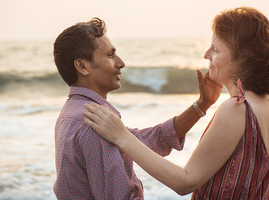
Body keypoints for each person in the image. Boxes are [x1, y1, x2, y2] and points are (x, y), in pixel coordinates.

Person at [83, 7, 269, 200]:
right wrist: (203, 103)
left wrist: (122, 137)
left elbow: (185, 182)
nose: (207, 54)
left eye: (215, 49)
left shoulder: (236, 109)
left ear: (242, 57)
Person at [52, 18, 223, 199]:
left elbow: (144, 141)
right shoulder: (94, 122)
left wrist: (203, 104)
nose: (121, 63)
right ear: (82, 66)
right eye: (110, 55)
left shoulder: (73, 113)